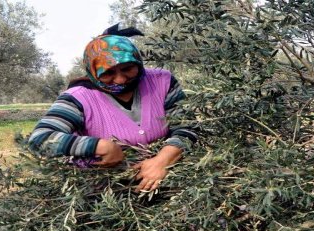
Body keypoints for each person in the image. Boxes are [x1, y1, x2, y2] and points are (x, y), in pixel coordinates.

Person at [28, 24, 198, 192]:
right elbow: (41, 139)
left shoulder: (162, 82)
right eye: (108, 73)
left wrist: (162, 161)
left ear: (138, 62)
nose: (120, 80)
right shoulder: (78, 98)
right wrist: (99, 146)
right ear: (92, 72)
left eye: (127, 69)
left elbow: (186, 127)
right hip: (105, 192)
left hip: (167, 185)